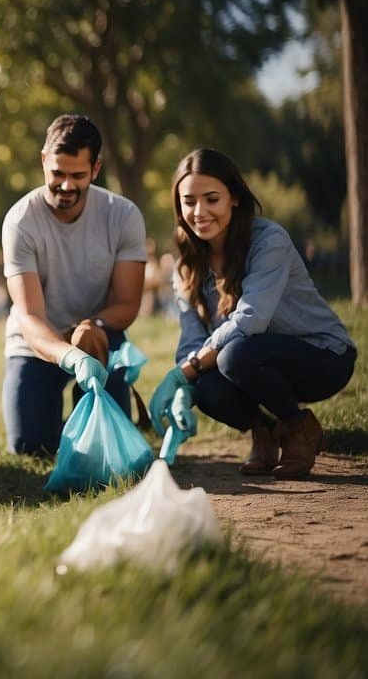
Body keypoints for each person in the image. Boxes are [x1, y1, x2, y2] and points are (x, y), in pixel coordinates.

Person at [149, 149, 356, 478]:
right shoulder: (185, 266)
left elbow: (251, 320)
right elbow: (192, 343)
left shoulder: (269, 240)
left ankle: (299, 428)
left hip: (324, 356)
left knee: (232, 356)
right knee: (207, 385)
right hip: (252, 360)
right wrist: (185, 389)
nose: (199, 211)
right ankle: (264, 432)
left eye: (211, 199)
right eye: (189, 201)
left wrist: (184, 371)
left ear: (233, 198)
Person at [1, 114, 147, 456]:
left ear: (95, 169)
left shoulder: (124, 216)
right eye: (57, 174)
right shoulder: (20, 221)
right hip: (37, 345)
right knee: (30, 448)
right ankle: (63, 429)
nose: (66, 186)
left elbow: (127, 304)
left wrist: (91, 328)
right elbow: (31, 319)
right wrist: (71, 355)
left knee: (106, 447)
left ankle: (89, 426)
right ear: (43, 161)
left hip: (100, 335)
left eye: (77, 175)